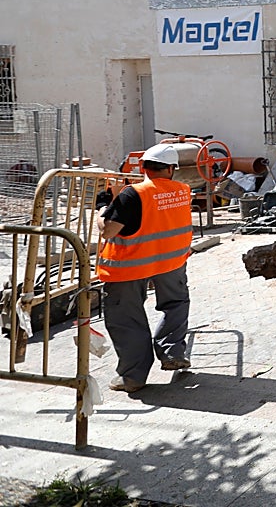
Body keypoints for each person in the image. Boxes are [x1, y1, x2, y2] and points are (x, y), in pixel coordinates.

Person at [98, 142, 194, 392]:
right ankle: (172, 352)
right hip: (171, 261)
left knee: (126, 318)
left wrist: (102, 210)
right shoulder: (183, 190)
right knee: (176, 304)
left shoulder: (133, 194)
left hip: (130, 266)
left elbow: (108, 230)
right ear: (171, 169)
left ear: (143, 167)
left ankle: (133, 377)